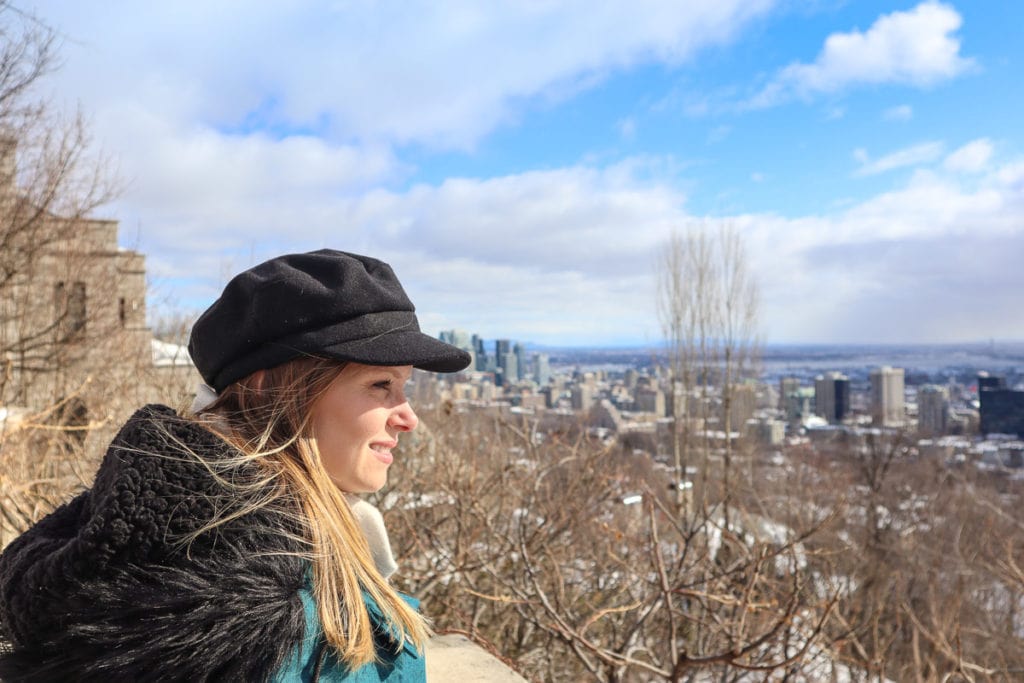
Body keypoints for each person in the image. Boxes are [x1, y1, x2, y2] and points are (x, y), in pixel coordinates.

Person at [0, 249, 471, 682]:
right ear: (270, 391)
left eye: (405, 387)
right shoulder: (273, 613)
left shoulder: (132, 526)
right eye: (380, 385)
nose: (408, 417)